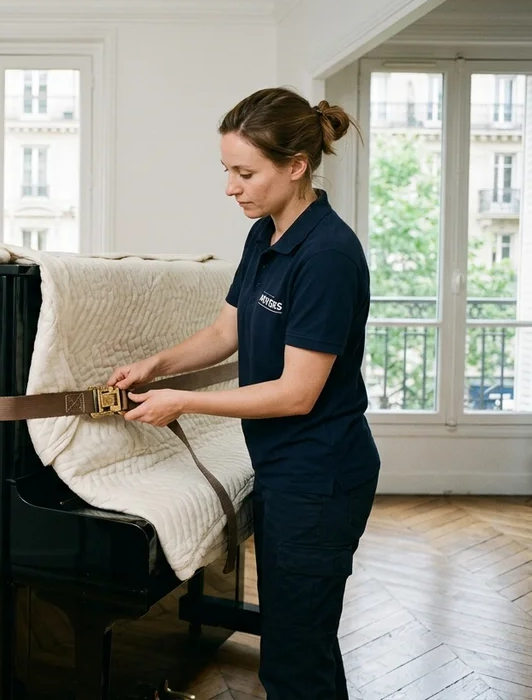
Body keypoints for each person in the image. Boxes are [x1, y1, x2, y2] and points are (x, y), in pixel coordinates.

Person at [107, 87, 380, 699]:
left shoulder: (328, 256)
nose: (230, 187)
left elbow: (296, 394)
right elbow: (224, 332)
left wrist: (182, 401)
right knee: (301, 642)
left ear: (297, 165)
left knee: (293, 658)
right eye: (227, 170)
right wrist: (155, 365)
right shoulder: (267, 234)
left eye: (245, 172)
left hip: (322, 477)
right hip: (285, 468)